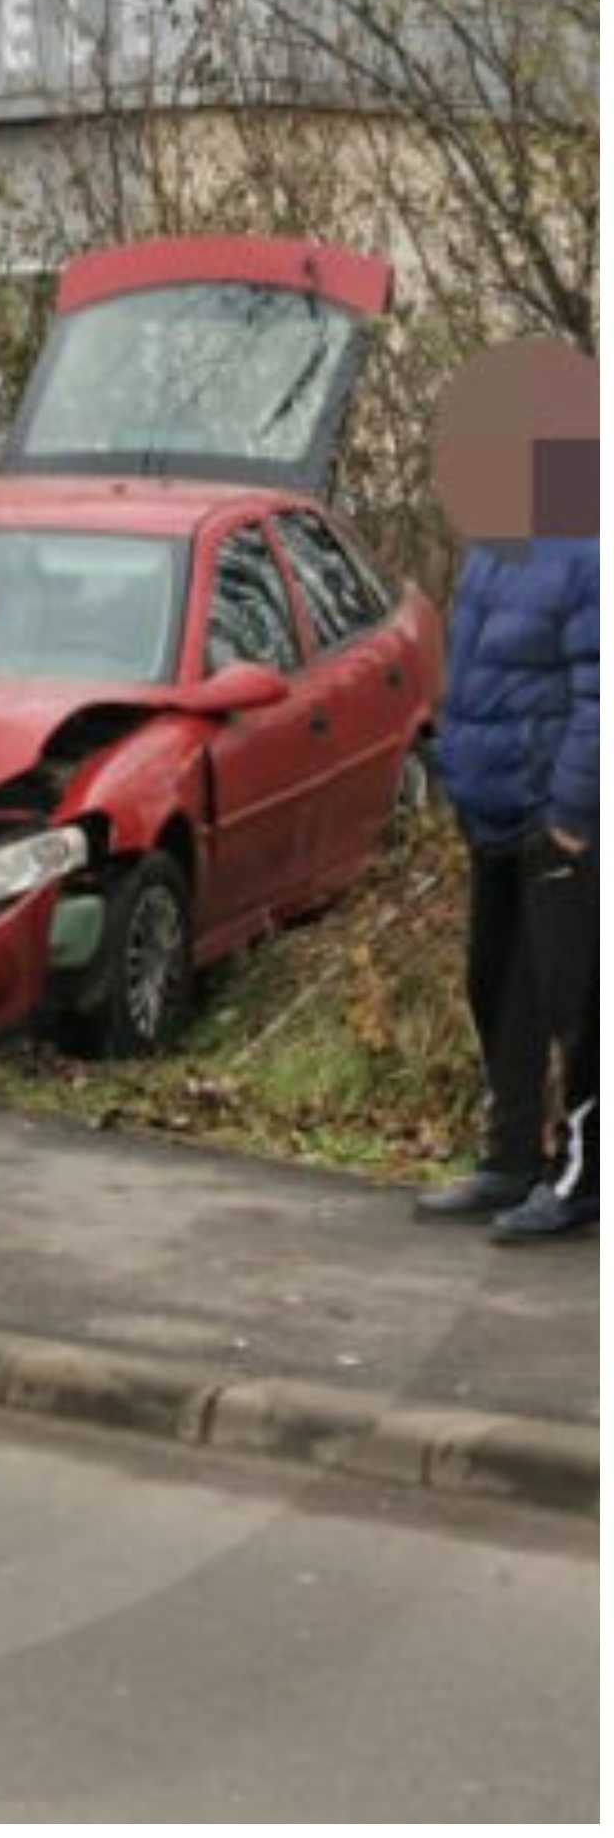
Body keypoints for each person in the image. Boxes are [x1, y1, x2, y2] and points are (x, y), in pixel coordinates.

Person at [415, 344, 597, 1242]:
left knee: (580, 1006)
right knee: (502, 992)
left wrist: (572, 816)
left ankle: (586, 1180)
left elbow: (600, 693)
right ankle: (508, 1159)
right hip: (494, 820)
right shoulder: (500, 540)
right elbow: (476, 672)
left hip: (559, 826)